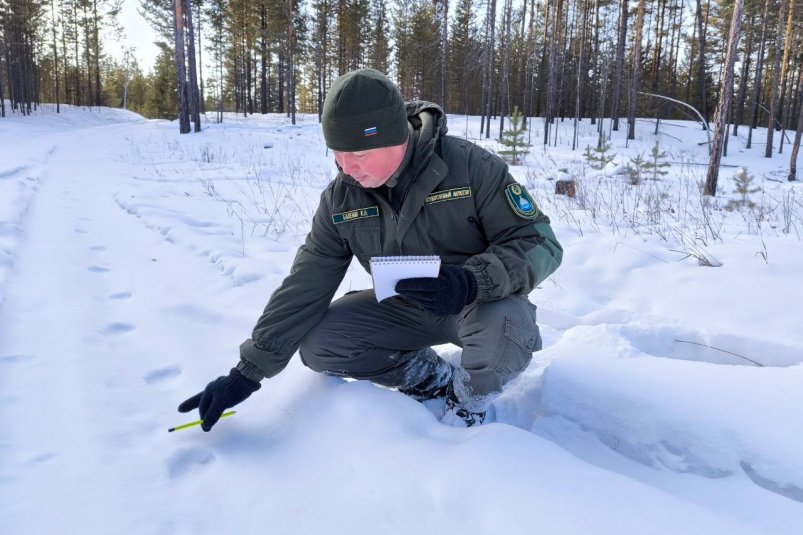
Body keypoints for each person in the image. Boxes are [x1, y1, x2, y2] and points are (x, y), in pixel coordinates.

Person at [178, 68, 563, 429]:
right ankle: (432, 378)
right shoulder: (340, 200)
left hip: (479, 302)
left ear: (397, 135)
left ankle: (468, 403)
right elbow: (307, 281)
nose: (347, 168)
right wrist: (247, 372)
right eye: (337, 154)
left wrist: (472, 280)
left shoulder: (469, 167)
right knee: (320, 345)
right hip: (405, 308)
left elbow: (539, 242)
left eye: (359, 155)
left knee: (504, 334)